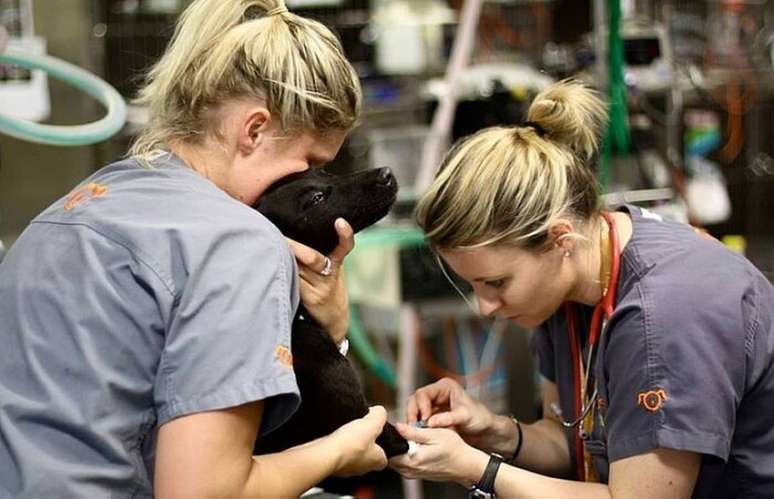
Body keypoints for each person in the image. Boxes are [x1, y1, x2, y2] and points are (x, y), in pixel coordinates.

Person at [0, 1, 389, 497]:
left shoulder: (70, 211)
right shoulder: (238, 242)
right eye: (309, 163)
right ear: (254, 129)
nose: (310, 181)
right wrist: (340, 449)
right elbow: (202, 492)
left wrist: (329, 335)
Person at [389, 80, 774, 498]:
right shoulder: (574, 283)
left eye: (497, 283)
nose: (485, 307)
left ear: (560, 240)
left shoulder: (661, 318)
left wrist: (477, 470)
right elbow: (570, 443)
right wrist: (495, 433)